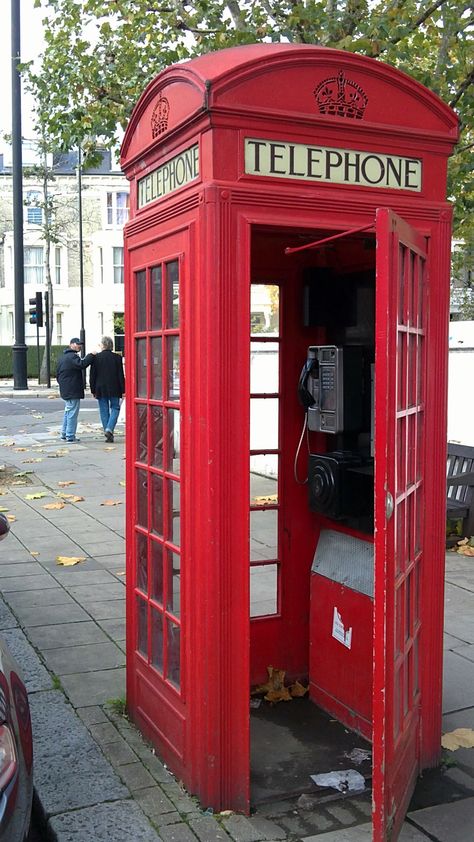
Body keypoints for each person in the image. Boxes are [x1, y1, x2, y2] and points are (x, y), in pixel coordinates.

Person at [56, 338, 95, 443]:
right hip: (72, 389)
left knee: (68, 412)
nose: (79, 346)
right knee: (72, 413)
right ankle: (70, 435)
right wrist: (91, 355)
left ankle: (64, 433)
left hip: (66, 389)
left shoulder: (62, 357)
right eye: (77, 344)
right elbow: (82, 364)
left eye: (80, 344)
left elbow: (58, 374)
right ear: (71, 345)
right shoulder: (72, 357)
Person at [89, 336, 125, 443]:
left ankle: (107, 431)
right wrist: (123, 389)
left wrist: (93, 390)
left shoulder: (96, 358)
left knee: (103, 410)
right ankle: (109, 429)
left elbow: (92, 376)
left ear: (103, 345)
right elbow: (120, 375)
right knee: (115, 408)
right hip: (115, 387)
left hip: (100, 388)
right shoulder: (117, 358)